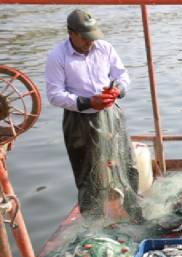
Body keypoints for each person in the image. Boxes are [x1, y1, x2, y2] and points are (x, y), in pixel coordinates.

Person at [45, 9, 142, 222]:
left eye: (93, 37)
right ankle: (93, 224)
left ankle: (135, 213)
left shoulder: (104, 48)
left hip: (111, 112)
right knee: (87, 174)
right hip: (79, 119)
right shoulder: (57, 56)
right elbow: (54, 95)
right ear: (72, 33)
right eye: (85, 38)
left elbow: (122, 75)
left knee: (128, 164)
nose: (91, 42)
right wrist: (87, 101)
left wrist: (117, 90)